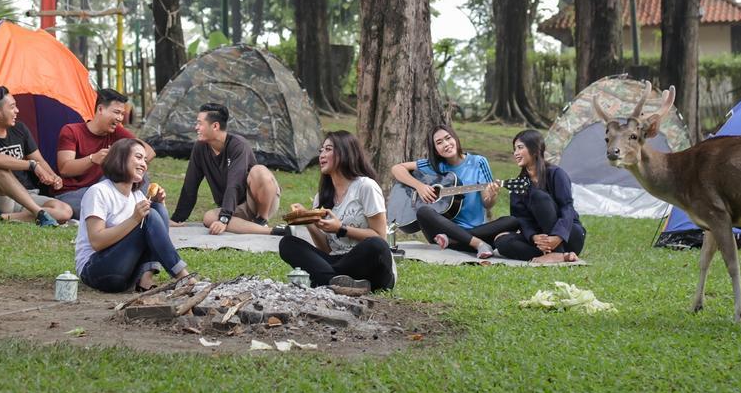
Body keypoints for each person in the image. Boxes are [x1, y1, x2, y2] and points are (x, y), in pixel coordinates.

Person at [277, 131, 395, 294]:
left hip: (368, 265)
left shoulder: (365, 187)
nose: (321, 155)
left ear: (345, 152)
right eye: (321, 150)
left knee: (376, 245)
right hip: (337, 262)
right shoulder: (322, 198)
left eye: (328, 149)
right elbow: (326, 250)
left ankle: (327, 281)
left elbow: (380, 237)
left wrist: (341, 228)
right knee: (288, 243)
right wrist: (309, 220)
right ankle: (337, 283)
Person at [74, 138, 192, 293]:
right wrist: (134, 219)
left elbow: (155, 234)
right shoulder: (99, 192)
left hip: (126, 273)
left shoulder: (137, 196)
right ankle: (184, 278)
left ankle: (146, 279)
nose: (144, 164)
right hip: (96, 271)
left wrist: (159, 204)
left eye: (145, 160)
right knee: (148, 215)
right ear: (120, 157)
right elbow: (97, 241)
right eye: (138, 157)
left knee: (156, 208)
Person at [391, 125, 515, 258]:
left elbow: (487, 204)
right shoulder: (434, 165)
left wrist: (491, 195)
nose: (446, 144)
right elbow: (397, 168)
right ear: (436, 150)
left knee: (513, 221)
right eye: (439, 142)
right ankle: (478, 243)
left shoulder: (478, 162)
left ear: (455, 139)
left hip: (464, 233)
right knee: (423, 211)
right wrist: (419, 186)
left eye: (448, 138)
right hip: (442, 231)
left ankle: (459, 240)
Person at [170, 102, 280, 235]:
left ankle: (262, 219)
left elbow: (235, 183)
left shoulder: (238, 145)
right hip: (235, 208)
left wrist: (224, 218)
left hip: (257, 201)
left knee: (259, 171)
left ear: (215, 126)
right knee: (208, 218)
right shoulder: (200, 148)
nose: (196, 127)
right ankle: (271, 231)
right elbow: (190, 184)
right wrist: (177, 218)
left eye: (200, 123)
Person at [0, 86, 72, 226]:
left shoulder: (20, 129)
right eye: (12, 107)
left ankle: (3, 218)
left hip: (27, 195)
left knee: (65, 211)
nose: (17, 111)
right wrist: (31, 165)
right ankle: (40, 214)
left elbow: (38, 159)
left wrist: (53, 176)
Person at [55, 87, 155, 218]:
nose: (120, 118)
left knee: (137, 171)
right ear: (100, 109)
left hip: (105, 189)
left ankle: (139, 210)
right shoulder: (71, 131)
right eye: (116, 112)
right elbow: (65, 168)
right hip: (73, 193)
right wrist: (93, 159)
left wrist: (130, 160)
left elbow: (150, 152)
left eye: (122, 114)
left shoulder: (117, 131)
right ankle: (135, 212)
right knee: (103, 205)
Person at [493, 129, 585, 264]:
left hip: (568, 235)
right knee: (502, 242)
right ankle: (563, 256)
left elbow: (567, 208)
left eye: (520, 148)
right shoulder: (518, 185)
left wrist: (558, 236)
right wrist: (534, 237)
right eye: (514, 149)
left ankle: (557, 253)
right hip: (541, 240)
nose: (516, 153)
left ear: (535, 149)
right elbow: (521, 219)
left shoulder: (556, 174)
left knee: (538, 196)